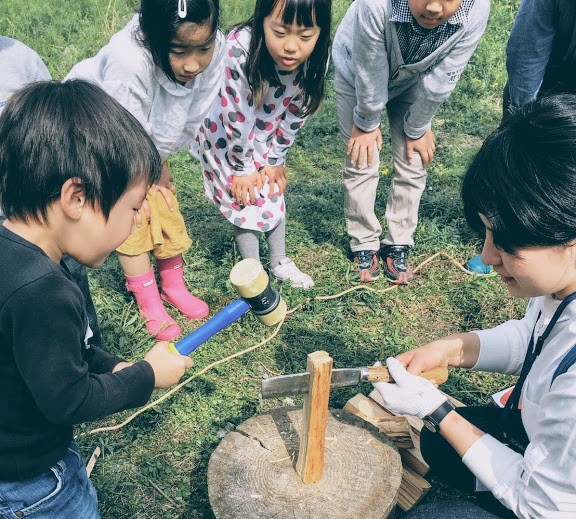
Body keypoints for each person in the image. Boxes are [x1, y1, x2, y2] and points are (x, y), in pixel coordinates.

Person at [0, 79, 201, 519]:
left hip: (28, 454)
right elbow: (66, 397)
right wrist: (143, 375)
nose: (135, 226)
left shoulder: (37, 256)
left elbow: (66, 354)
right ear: (77, 197)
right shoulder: (39, 291)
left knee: (73, 513)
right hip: (26, 468)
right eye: (133, 208)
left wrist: (108, 362)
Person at [374, 94, 576, 519]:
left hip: (562, 510)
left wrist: (438, 409)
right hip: (559, 460)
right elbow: (535, 336)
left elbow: (543, 504)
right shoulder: (564, 282)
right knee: (442, 448)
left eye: (505, 242)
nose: (487, 257)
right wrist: (453, 349)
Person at [67, 0, 226, 340]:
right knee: (133, 221)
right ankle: (148, 298)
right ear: (153, 37)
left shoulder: (215, 48)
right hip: (100, 145)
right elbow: (119, 134)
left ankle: (172, 284)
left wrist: (161, 161)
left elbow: (192, 112)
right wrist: (136, 185)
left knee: (165, 204)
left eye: (203, 49)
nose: (193, 64)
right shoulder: (129, 63)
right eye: (179, 50)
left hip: (145, 148)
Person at [332, 0, 490, 284]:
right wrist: (367, 122)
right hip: (357, 73)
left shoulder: (476, 11)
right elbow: (370, 69)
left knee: (412, 159)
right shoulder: (375, 5)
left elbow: (444, 76)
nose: (433, 7)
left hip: (413, 79)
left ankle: (398, 240)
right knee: (362, 158)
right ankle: (364, 242)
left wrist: (417, 126)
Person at [193, 0, 331, 289]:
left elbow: (297, 111)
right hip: (226, 133)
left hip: (267, 128)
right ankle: (253, 271)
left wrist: (275, 159)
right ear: (261, 20)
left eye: (305, 36)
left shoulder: (318, 55)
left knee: (271, 187)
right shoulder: (239, 49)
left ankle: (279, 261)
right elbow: (236, 113)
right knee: (244, 196)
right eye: (280, 33)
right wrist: (243, 168)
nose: (292, 47)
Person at [0, 35, 103, 346]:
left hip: (42, 204)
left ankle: (90, 350)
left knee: (70, 279)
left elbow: (54, 123)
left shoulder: (20, 58)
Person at [467, 0, 576, 275]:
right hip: (549, 74)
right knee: (517, 166)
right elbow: (527, 49)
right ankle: (505, 242)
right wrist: (521, 118)